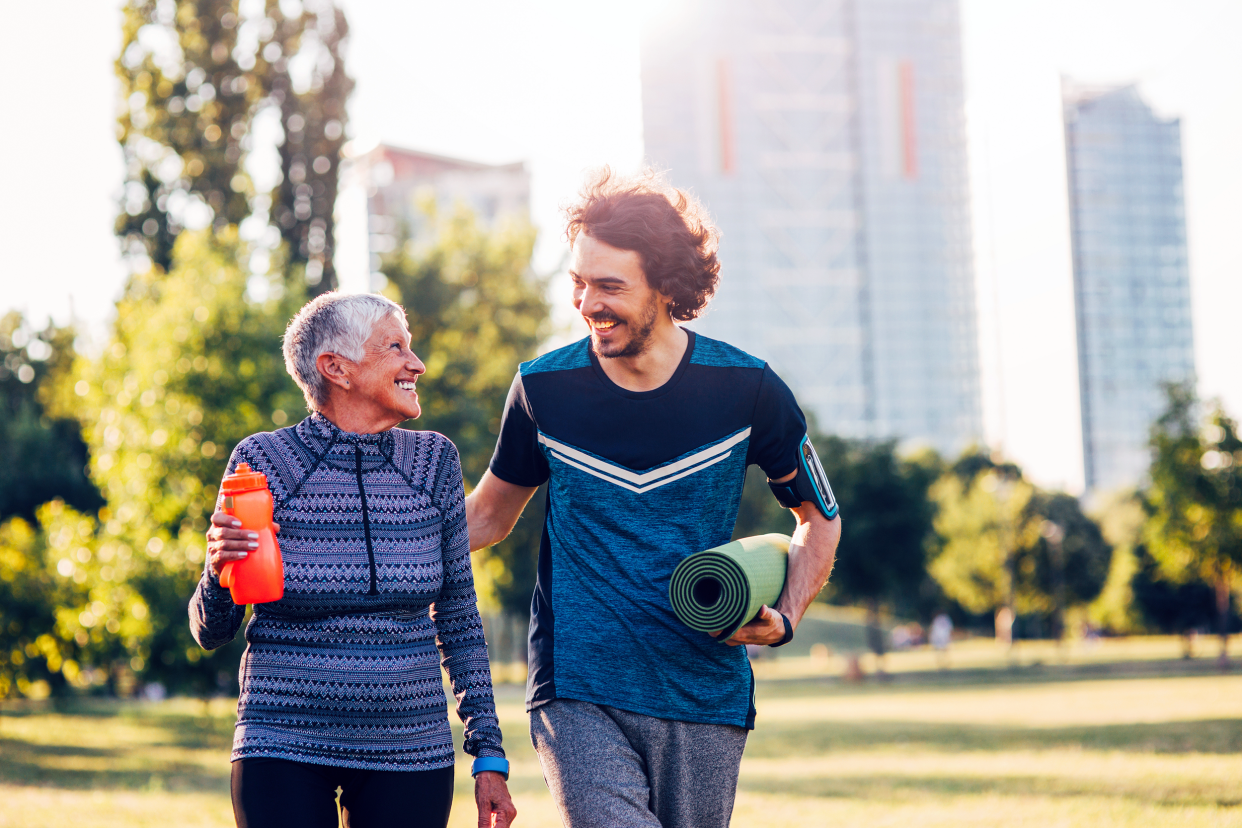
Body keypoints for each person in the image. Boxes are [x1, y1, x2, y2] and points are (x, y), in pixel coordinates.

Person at [466, 169, 842, 828]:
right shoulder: (542, 390)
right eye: (579, 282)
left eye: (610, 286)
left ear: (667, 287)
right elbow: (488, 515)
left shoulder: (748, 390)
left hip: (704, 689)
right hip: (577, 688)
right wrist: (360, 537)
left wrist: (784, 616)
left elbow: (819, 518)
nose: (586, 303)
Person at [190, 293, 517, 828]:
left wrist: (489, 754)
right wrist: (218, 572)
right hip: (283, 740)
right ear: (336, 369)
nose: (417, 364)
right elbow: (212, 630)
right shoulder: (264, 460)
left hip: (411, 746)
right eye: (395, 347)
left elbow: (458, 616)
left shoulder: (434, 461)